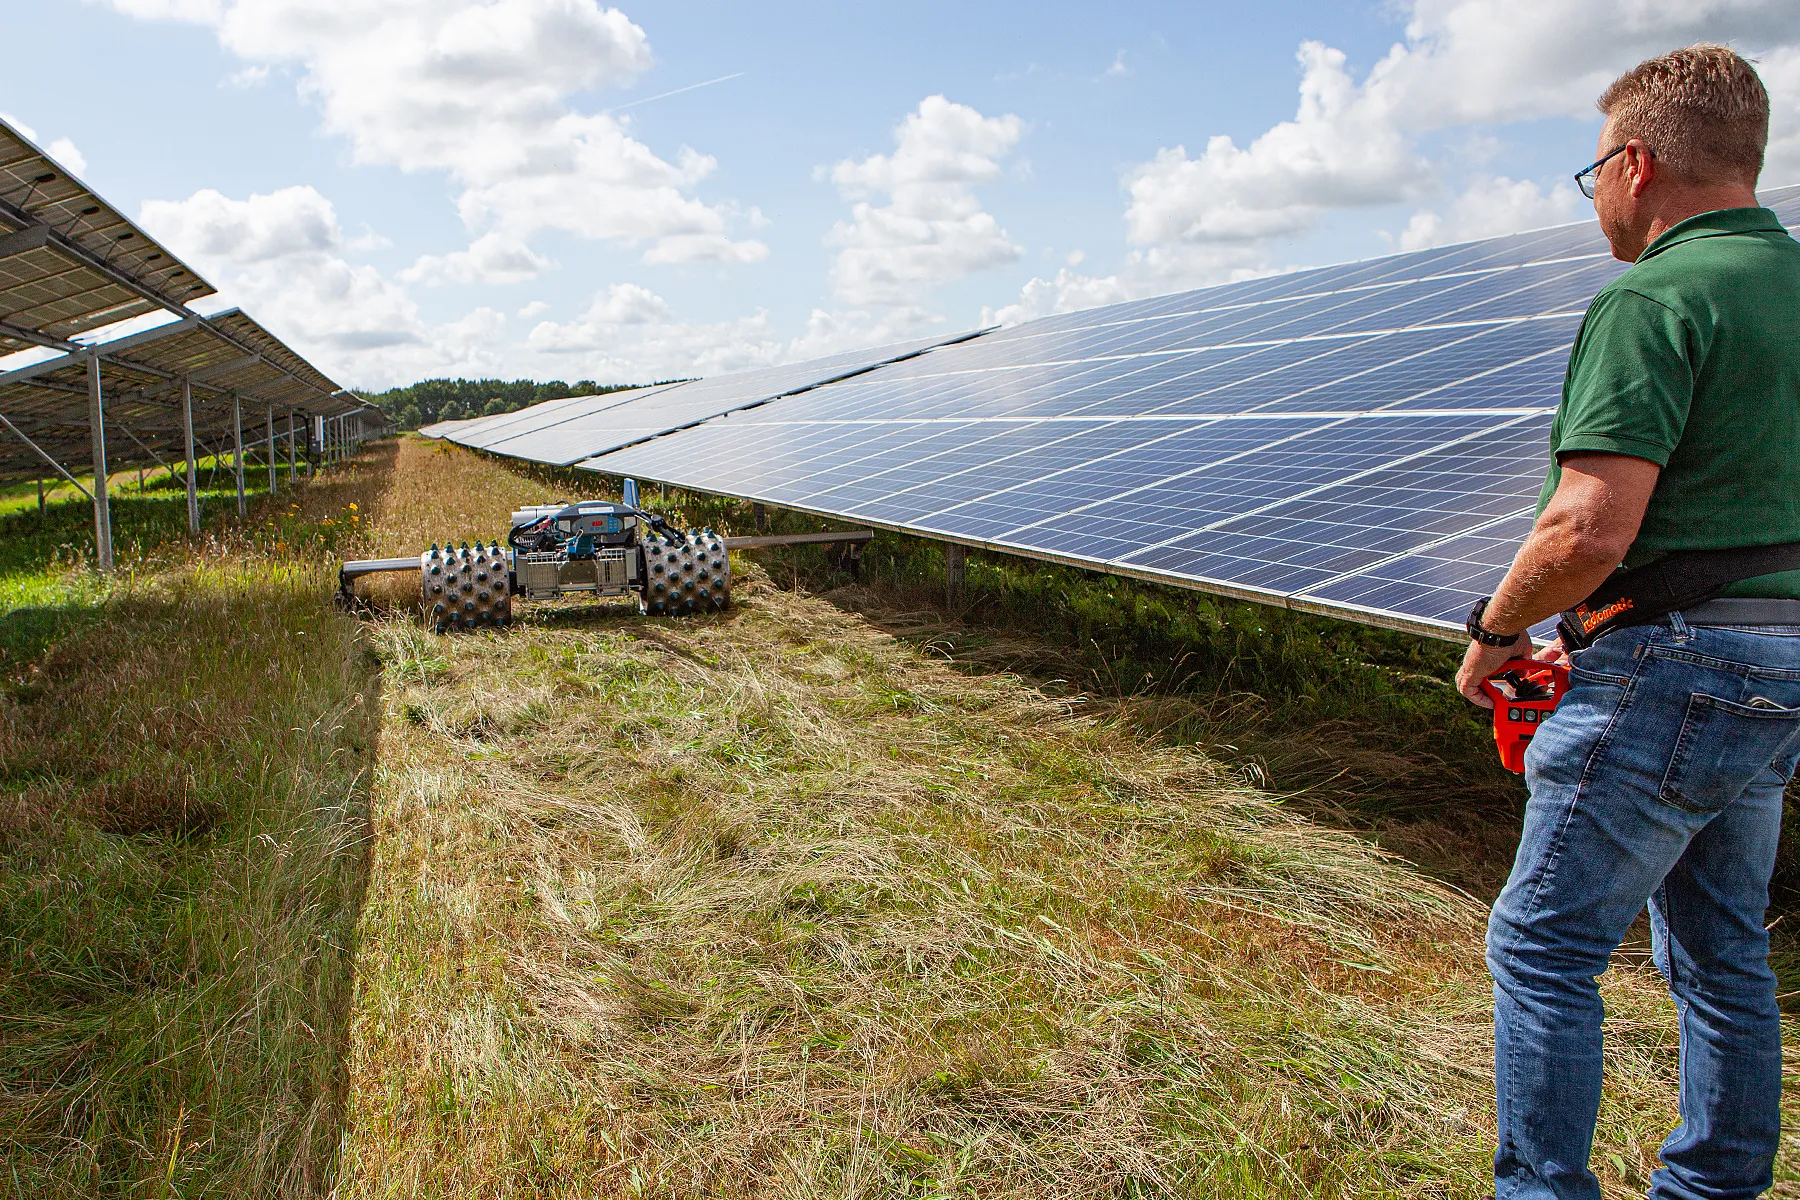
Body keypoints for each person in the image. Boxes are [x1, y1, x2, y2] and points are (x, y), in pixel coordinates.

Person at [1452, 44, 1800, 1200]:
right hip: (1780, 662)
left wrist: (1494, 635)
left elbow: (1586, 532)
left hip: (1673, 664)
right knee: (1721, 951)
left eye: (1591, 168)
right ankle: (1716, 1187)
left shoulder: (1656, 295)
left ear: (1637, 164)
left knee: (1542, 943)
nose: (1595, 193)